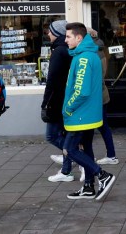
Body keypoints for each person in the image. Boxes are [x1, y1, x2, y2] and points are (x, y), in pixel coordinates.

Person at [62, 22, 116, 200]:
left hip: (80, 114)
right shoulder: (86, 55)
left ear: (79, 38)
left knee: (70, 149)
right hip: (88, 113)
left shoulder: (83, 58)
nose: (65, 40)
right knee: (86, 148)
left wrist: (68, 108)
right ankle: (88, 187)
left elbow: (81, 90)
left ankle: (102, 175)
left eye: (68, 36)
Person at [42, 20, 75, 182]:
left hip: (57, 100)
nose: (48, 34)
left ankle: (77, 157)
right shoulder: (69, 50)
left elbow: (52, 80)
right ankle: (67, 169)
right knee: (64, 134)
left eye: (50, 31)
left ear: (57, 33)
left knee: (51, 135)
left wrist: (45, 103)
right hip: (66, 99)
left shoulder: (59, 51)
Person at [88, 28, 118, 166]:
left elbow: (95, 77)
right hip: (101, 94)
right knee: (103, 126)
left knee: (94, 128)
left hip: (96, 96)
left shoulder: (93, 52)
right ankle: (111, 154)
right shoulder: (100, 49)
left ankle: (79, 156)